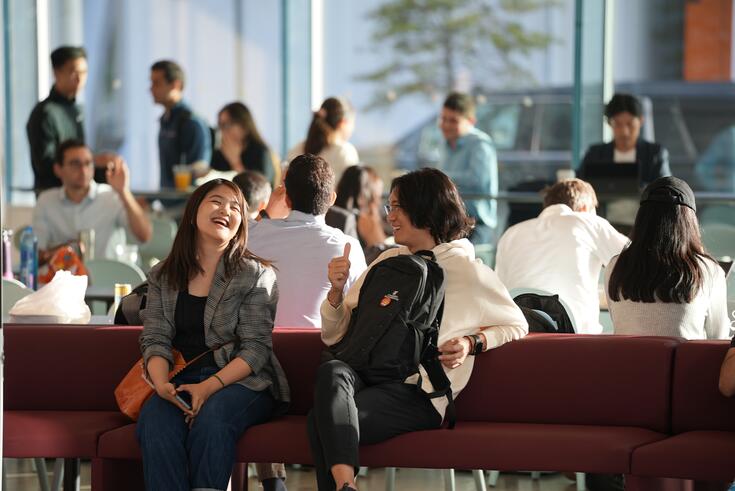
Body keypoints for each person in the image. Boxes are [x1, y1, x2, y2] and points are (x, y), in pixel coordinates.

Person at [308, 168, 528, 491]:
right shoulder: (387, 263)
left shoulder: (469, 272)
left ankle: (345, 487)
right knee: (332, 371)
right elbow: (334, 335)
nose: (390, 216)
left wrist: (472, 341)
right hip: (367, 374)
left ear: (425, 209)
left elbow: (517, 323)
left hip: (418, 393)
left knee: (319, 422)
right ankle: (347, 488)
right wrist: (336, 294)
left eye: (397, 207)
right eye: (390, 207)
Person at [136, 178, 290, 491]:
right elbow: (155, 339)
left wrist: (207, 387)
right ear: (193, 213)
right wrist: (162, 384)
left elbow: (255, 350)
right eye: (216, 201)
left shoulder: (256, 275)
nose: (226, 210)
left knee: (213, 419)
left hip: (242, 381)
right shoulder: (163, 275)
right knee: (155, 418)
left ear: (241, 225)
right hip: (179, 378)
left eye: (235, 207)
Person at [247, 154, 366, 327]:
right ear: (332, 198)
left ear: (287, 199)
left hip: (259, 348)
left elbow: (239, 239)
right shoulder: (348, 247)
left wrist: (266, 215)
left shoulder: (254, 234)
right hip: (321, 349)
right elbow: (358, 308)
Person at [495, 178, 628, 334]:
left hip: (517, 334)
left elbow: (501, 290)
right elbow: (635, 260)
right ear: (585, 208)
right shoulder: (588, 221)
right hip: (576, 340)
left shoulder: (511, 233)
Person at [605, 176, 730, 339]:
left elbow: (621, 324)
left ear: (641, 220)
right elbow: (718, 338)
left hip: (626, 364)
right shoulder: (708, 271)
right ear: (690, 221)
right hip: (687, 365)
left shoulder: (616, 266)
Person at [33, 139, 152, 262]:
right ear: (58, 169)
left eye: (88, 163)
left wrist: (124, 192)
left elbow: (144, 236)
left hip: (109, 277)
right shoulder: (46, 201)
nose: (83, 170)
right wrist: (64, 251)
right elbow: (36, 252)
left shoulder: (111, 196)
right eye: (75, 164)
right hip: (64, 277)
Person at [26, 46, 114, 193]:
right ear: (56, 72)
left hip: (79, 197)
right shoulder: (44, 113)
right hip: (54, 198)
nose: (80, 79)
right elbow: (46, 165)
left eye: (84, 72)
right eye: (74, 72)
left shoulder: (77, 110)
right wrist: (92, 161)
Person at [437, 92, 498, 245]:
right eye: (444, 119)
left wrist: (441, 178)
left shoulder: (480, 144)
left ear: (471, 121)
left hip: (476, 224)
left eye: (453, 121)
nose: (446, 125)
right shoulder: (445, 144)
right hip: (452, 222)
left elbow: (477, 180)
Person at [580, 93, 671, 187]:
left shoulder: (654, 155)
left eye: (630, 124)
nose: (624, 132)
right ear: (609, 123)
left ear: (641, 121)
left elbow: (666, 190)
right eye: (618, 124)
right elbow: (580, 188)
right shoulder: (595, 154)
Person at [150, 60, 212, 188]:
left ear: (175, 85)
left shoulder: (192, 123)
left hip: (185, 204)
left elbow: (201, 168)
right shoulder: (165, 120)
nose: (151, 88)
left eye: (157, 83)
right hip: (167, 201)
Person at [326, 165, 389, 264]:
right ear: (368, 194)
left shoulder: (328, 214)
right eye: (378, 196)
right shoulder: (362, 220)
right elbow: (384, 259)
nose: (378, 203)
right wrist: (378, 244)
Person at [286, 97, 359, 182]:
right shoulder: (345, 152)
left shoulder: (296, 149)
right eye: (353, 123)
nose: (353, 129)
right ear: (343, 123)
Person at [211, 102, 276, 184]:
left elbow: (259, 189)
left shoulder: (261, 152)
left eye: (227, 125)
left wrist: (235, 162)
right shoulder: (220, 151)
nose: (223, 131)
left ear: (244, 126)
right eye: (220, 125)